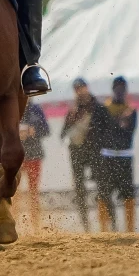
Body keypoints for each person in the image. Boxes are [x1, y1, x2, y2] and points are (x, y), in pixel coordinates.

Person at [61, 78, 111, 231]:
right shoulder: (73, 110)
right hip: (77, 153)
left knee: (103, 188)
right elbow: (63, 134)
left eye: (81, 87)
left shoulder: (99, 108)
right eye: (77, 88)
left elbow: (109, 131)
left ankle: (108, 225)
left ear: (87, 88)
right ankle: (86, 227)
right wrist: (73, 128)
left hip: (96, 153)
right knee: (79, 189)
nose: (80, 90)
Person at [97, 77, 138, 232]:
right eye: (117, 87)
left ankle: (130, 230)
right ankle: (104, 230)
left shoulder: (132, 111)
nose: (119, 91)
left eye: (122, 87)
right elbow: (99, 133)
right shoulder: (104, 109)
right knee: (103, 194)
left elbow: (129, 132)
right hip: (107, 157)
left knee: (128, 194)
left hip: (124, 157)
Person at [19, 100, 51, 226]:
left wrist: (35, 131)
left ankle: (35, 223)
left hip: (34, 155)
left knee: (34, 191)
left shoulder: (36, 109)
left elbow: (47, 130)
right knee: (12, 191)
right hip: (16, 156)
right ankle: (12, 221)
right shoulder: (12, 107)